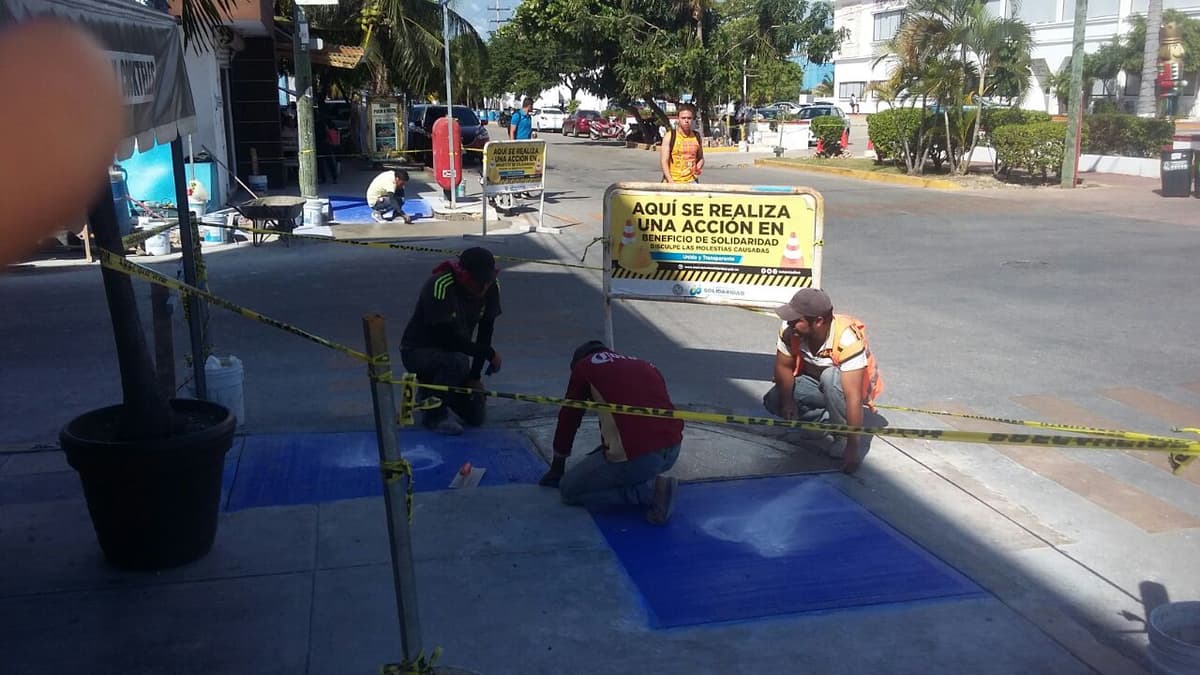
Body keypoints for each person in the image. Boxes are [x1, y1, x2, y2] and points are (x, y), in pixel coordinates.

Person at [539, 341, 683, 525]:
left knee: (569, 489)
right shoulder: (644, 364)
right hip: (672, 450)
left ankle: (650, 491)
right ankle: (643, 478)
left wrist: (557, 466)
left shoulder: (585, 367)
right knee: (613, 464)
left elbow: (569, 417)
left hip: (641, 456)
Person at [762, 288, 884, 474]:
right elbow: (783, 367)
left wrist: (852, 448)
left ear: (818, 321)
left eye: (797, 320)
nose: (790, 323)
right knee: (775, 399)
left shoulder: (846, 338)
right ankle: (819, 425)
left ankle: (842, 433)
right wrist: (788, 402)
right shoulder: (790, 330)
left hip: (845, 386)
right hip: (815, 382)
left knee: (830, 377)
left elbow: (853, 396)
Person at [400, 247, 503, 435]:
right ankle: (434, 414)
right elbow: (446, 340)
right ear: (463, 275)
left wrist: (474, 377)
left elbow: (485, 331)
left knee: (476, 415)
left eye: (486, 282)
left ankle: (433, 392)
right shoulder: (440, 285)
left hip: (454, 356)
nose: (482, 288)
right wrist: (489, 354)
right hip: (418, 351)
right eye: (477, 282)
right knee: (457, 361)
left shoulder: (492, 286)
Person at [660, 103, 705, 183]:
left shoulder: (696, 136)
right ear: (678, 119)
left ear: (692, 119)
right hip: (673, 180)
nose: (686, 121)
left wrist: (698, 168)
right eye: (683, 118)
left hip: (692, 181)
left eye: (689, 118)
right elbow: (664, 161)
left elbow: (701, 158)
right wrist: (670, 181)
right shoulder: (670, 136)